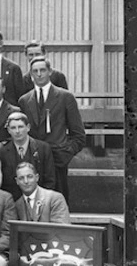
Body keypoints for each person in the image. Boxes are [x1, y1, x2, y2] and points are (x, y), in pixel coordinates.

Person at [17, 56, 86, 203]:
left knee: (57, 206)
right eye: (35, 71)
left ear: (50, 72)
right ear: (30, 75)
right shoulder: (24, 100)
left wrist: (65, 154)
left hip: (57, 162)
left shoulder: (65, 97)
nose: (39, 74)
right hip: (32, 163)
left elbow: (79, 135)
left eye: (43, 70)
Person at [0, 111, 56, 200]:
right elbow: (4, 186)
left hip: (40, 201)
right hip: (13, 203)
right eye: (13, 128)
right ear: (8, 130)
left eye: (20, 127)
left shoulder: (43, 148)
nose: (17, 131)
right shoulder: (2, 153)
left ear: (28, 127)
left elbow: (50, 180)